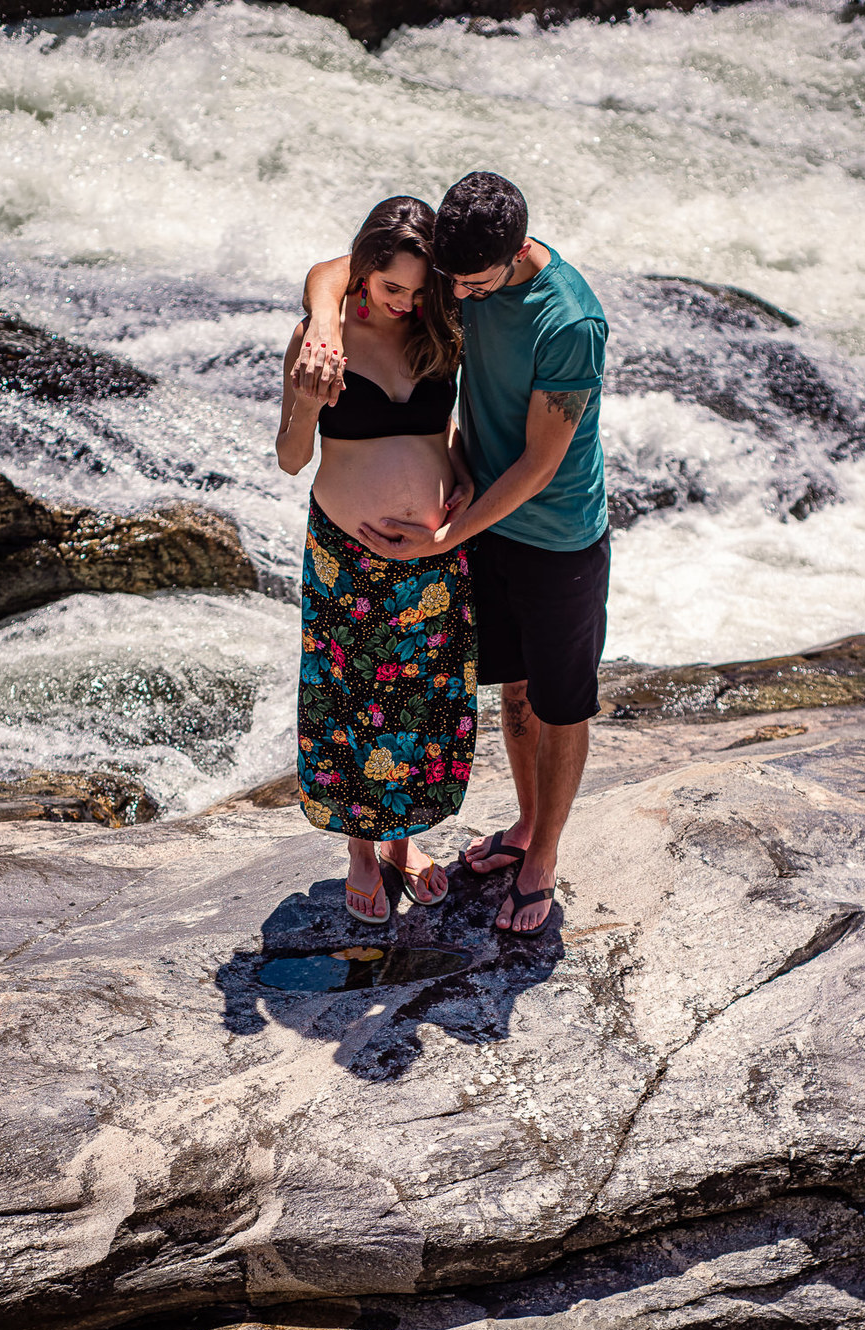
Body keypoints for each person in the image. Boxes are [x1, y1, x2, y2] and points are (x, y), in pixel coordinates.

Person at [301, 171, 609, 936]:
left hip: (555, 535)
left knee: (560, 702)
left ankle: (542, 860)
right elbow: (347, 266)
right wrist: (323, 324)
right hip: (483, 529)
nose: (459, 298)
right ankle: (522, 831)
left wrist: (442, 538)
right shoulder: (454, 275)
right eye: (453, 281)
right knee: (507, 691)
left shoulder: (568, 321)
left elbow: (538, 467)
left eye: (473, 284)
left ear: (515, 254)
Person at [277, 195, 477, 924]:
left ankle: (399, 841)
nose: (406, 302)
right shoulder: (320, 338)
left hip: (432, 556)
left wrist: (455, 467)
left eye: (420, 291)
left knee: (419, 706)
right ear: (363, 272)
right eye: (393, 288)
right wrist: (305, 398)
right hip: (346, 558)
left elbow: (446, 427)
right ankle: (361, 852)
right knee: (351, 705)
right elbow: (291, 457)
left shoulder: (441, 328)